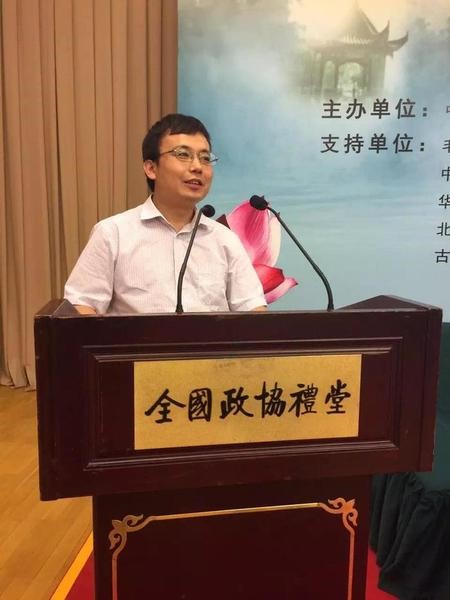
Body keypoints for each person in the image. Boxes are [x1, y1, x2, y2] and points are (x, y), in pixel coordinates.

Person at [64, 113, 266, 315]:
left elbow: (254, 313)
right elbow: (81, 305)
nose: (197, 167)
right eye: (183, 154)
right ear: (151, 169)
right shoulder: (113, 234)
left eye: (205, 158)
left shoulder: (224, 240)